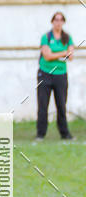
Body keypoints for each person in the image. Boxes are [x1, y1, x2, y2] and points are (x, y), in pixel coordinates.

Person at [36, 12, 74, 142]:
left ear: (63, 22)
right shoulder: (46, 37)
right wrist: (63, 52)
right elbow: (47, 56)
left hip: (61, 75)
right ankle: (40, 134)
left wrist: (56, 54)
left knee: (61, 105)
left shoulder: (67, 37)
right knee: (43, 105)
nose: (58, 22)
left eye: (61, 20)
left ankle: (65, 133)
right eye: (56, 20)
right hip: (45, 74)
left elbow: (71, 56)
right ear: (52, 22)